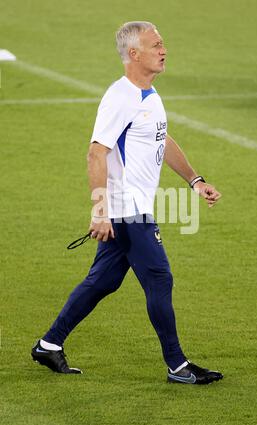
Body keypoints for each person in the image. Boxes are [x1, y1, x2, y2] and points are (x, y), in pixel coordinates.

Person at [32, 21, 223, 384]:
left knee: (102, 281)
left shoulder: (148, 95)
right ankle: (178, 366)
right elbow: (95, 154)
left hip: (130, 208)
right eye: (156, 45)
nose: (164, 50)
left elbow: (161, 140)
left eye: (163, 44)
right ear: (134, 54)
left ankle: (48, 344)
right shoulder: (121, 98)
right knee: (159, 279)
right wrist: (100, 211)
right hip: (125, 211)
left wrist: (195, 181)